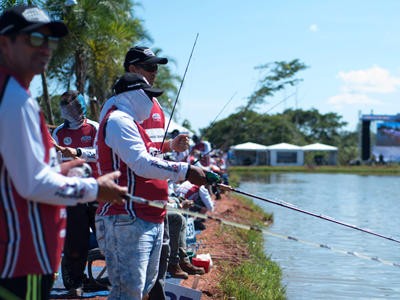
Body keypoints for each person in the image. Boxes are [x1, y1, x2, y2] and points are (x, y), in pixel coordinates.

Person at [0, 5, 127, 300]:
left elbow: (18, 174)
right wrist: (94, 188)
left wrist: (59, 171)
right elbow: (32, 185)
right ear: (4, 44)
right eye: (33, 39)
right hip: (23, 256)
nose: (45, 47)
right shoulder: (15, 99)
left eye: (50, 40)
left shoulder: (11, 92)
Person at [95, 72, 216, 300]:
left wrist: (171, 149)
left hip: (149, 216)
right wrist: (186, 171)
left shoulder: (133, 124)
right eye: (148, 95)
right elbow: (141, 163)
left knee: (143, 288)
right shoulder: (118, 121)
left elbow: (151, 157)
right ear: (132, 95)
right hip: (127, 218)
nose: (152, 102)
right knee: (128, 292)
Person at [52, 91, 99, 295]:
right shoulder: (59, 134)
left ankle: (118, 278)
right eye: (67, 108)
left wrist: (78, 153)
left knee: (106, 238)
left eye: (75, 107)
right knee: (75, 240)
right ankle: (75, 283)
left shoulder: (96, 128)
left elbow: (102, 153)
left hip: (97, 191)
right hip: (72, 195)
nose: (72, 112)